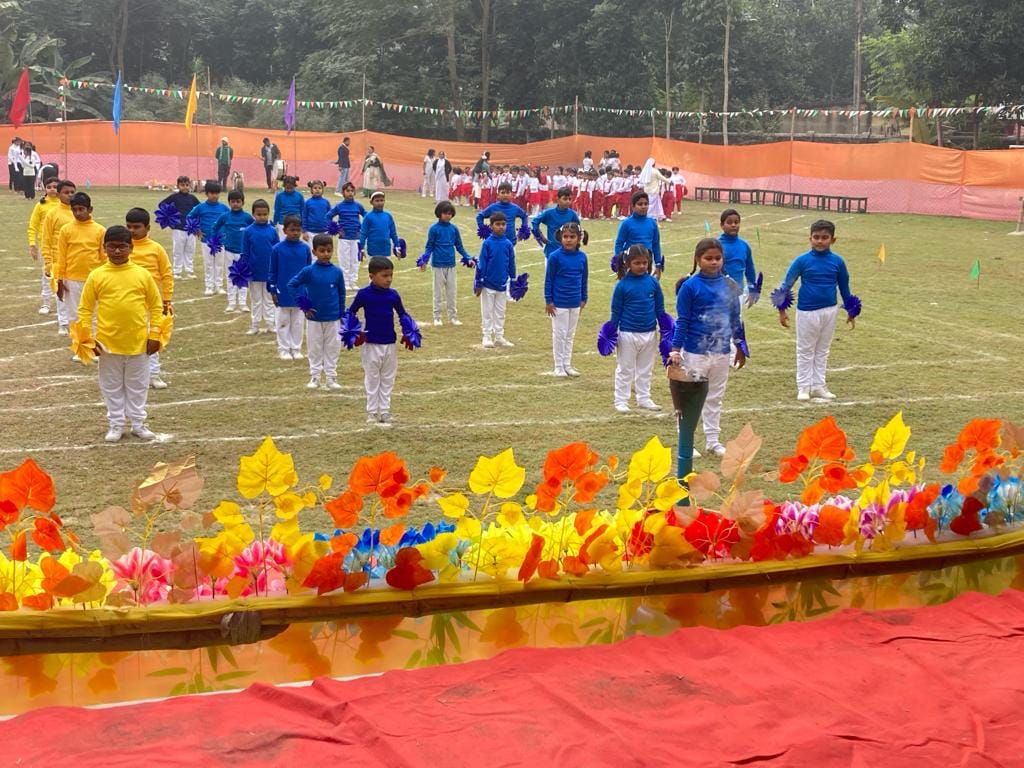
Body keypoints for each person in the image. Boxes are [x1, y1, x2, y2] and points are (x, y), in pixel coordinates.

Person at [668, 238, 749, 481]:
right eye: (708, 258)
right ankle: (687, 440)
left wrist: (740, 346)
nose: (714, 262)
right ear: (698, 259)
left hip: (721, 351)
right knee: (689, 399)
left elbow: (735, 318)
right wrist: (676, 349)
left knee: (715, 397)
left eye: (717, 258)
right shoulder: (690, 287)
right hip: (695, 351)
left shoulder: (730, 285)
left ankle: (713, 440)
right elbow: (683, 320)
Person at [76, 226, 163, 443]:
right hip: (107, 344)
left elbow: (156, 306)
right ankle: (116, 424)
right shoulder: (97, 276)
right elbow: (85, 309)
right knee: (111, 386)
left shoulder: (142, 275)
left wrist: (154, 335)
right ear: (104, 248)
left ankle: (138, 424)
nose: (117, 251)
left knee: (138, 386)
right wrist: (87, 339)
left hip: (139, 343)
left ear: (131, 248)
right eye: (112, 247)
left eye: (122, 247)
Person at [772, 219, 861, 401]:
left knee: (822, 350)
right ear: (810, 238)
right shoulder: (802, 261)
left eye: (824, 237)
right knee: (805, 350)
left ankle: (819, 385)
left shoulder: (838, 262)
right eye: (816, 237)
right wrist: (782, 310)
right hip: (807, 312)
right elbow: (787, 284)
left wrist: (851, 311)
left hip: (830, 311)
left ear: (833, 240)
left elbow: (844, 287)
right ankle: (804, 387)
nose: (820, 241)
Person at [346, 256, 413, 426]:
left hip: (389, 343)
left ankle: (384, 411)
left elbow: (402, 314)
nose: (389, 279)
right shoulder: (364, 295)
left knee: (388, 378)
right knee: (372, 378)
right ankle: (372, 412)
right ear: (371, 276)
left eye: (391, 275)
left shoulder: (393, 295)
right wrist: (354, 331)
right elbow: (350, 312)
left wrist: (409, 331)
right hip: (371, 344)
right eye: (384, 276)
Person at [607, 245, 664, 413]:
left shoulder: (653, 282)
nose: (641, 266)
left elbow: (659, 308)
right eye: (637, 263)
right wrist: (611, 332)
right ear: (627, 263)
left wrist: (664, 329)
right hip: (627, 333)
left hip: (650, 332)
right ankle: (621, 400)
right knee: (625, 369)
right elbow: (616, 311)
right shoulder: (622, 285)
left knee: (645, 369)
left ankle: (644, 398)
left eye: (645, 263)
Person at [124, 207, 174, 390]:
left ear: (147, 227)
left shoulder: (156, 249)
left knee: (152, 337)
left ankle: (153, 375)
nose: (132, 231)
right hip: (127, 302)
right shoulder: (124, 248)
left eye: (136, 227)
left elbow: (166, 275)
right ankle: (132, 375)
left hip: (151, 303)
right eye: (129, 227)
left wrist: (167, 300)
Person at [288, 234, 345, 391]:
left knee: (333, 347)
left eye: (329, 250)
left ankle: (331, 377)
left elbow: (341, 293)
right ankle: (315, 376)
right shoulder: (308, 271)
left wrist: (341, 313)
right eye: (322, 251)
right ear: (314, 252)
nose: (326, 254)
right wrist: (303, 304)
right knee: (314, 347)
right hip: (314, 318)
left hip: (333, 317)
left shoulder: (337, 272)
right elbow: (292, 285)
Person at [55, 191, 106, 353]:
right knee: (75, 316)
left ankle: (95, 346)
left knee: (95, 314)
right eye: (74, 209)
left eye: (81, 209)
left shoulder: (100, 230)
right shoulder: (66, 230)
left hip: (94, 279)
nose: (78, 213)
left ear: (90, 209)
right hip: (72, 279)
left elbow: (104, 257)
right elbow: (62, 257)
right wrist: (59, 279)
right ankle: (80, 347)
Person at [544, 221, 589, 377]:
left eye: (572, 237)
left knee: (570, 334)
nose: (568, 240)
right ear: (561, 237)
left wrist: (584, 298)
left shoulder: (582, 257)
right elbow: (549, 280)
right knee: (559, 334)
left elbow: (584, 279)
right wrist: (549, 301)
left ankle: (567, 364)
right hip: (559, 303)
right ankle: (558, 366)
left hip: (575, 302)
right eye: (565, 237)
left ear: (578, 238)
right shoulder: (554, 257)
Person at [420, 200, 471, 326]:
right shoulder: (434, 229)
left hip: (451, 264)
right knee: (437, 292)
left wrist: (467, 257)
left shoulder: (454, 229)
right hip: (437, 265)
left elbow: (459, 246)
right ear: (439, 213)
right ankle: (437, 317)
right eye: (445, 213)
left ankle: (453, 317)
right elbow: (429, 246)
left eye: (449, 213)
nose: (447, 216)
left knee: (451, 292)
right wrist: (424, 260)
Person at [268, 214, 312, 361]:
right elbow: (272, 271)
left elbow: (308, 272)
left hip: (300, 293)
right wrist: (273, 290)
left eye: (298, 230)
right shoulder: (277, 249)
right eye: (292, 230)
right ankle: (284, 349)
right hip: (283, 292)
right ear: (285, 230)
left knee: (298, 322)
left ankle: (296, 348)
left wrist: (309, 291)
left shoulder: (305, 249)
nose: (295, 233)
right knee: (283, 321)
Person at [474, 211, 516, 349]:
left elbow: (511, 263)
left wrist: (513, 280)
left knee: (500, 312)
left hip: (502, 284)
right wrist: (479, 282)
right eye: (498, 224)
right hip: (488, 284)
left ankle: (499, 336)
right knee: (487, 312)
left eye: (503, 224)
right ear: (491, 226)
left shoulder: (508, 244)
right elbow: (482, 264)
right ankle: (486, 336)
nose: (501, 227)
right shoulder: (487, 243)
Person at [40, 179, 77, 334]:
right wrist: (48, 261)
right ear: (59, 194)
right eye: (66, 192)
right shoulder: (52, 214)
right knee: (61, 291)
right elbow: (46, 239)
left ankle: (75, 323)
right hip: (58, 259)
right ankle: (63, 323)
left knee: (75, 293)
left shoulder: (79, 212)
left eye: (72, 192)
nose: (70, 195)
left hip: (75, 259)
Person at [212, 189, 255, 312]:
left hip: (243, 252)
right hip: (229, 251)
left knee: (243, 276)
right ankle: (231, 302)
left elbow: (255, 228)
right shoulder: (225, 216)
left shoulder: (247, 217)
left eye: (238, 201)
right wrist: (216, 240)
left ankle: (242, 303)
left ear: (243, 202)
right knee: (231, 276)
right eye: (233, 202)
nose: (235, 204)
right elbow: (215, 227)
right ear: (229, 202)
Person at [241, 199, 278, 335]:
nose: (262, 217)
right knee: (256, 300)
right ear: (253, 214)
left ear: (268, 214)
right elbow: (244, 252)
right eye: (259, 214)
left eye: (265, 214)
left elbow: (277, 250)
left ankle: (270, 324)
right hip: (254, 272)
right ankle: (255, 325)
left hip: (269, 272)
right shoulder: (248, 231)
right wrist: (245, 269)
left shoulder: (273, 231)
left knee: (269, 300)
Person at [186, 181, 230, 296]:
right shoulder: (200, 207)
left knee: (219, 264)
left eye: (217, 193)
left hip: (220, 241)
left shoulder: (224, 208)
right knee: (209, 264)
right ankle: (209, 286)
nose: (214, 195)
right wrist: (196, 229)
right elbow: (189, 217)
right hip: (206, 241)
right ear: (206, 193)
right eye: (212, 193)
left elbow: (230, 219)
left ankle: (219, 286)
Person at [27, 176, 60, 314]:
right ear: (45, 188)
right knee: (47, 274)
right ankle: (46, 303)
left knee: (63, 275)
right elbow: (32, 226)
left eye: (55, 187)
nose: (52, 189)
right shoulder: (41, 205)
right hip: (46, 246)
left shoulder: (66, 205)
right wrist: (32, 244)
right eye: (49, 187)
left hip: (63, 246)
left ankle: (62, 304)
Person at [326, 181, 366, 295]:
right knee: (344, 260)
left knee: (355, 260)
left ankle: (353, 281)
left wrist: (363, 228)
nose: (350, 193)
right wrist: (336, 229)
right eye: (347, 191)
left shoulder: (358, 206)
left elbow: (367, 216)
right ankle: (346, 282)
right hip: (344, 238)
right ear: (343, 193)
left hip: (356, 238)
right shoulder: (339, 206)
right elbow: (328, 216)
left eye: (352, 191)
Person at [614, 191, 664, 279]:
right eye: (640, 204)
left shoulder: (652, 223)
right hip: (631, 263)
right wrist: (620, 263)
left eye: (646, 204)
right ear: (633, 206)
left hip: (647, 263)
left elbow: (656, 245)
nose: (643, 206)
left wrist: (658, 264)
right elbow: (619, 244)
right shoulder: (626, 223)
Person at [160, 176, 200, 279]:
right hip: (178, 228)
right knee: (178, 250)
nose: (185, 187)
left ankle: (189, 271)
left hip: (191, 228)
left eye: (187, 185)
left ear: (190, 185)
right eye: (182, 185)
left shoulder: (193, 198)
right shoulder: (174, 197)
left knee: (190, 250)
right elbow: (162, 205)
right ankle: (176, 271)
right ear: (178, 186)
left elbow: (200, 209)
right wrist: (170, 216)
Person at [531, 187, 581, 260]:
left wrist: (575, 243)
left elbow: (578, 229)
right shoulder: (549, 213)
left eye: (570, 199)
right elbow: (534, 222)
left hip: (567, 252)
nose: (568, 201)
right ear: (558, 199)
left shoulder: (573, 214)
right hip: (551, 251)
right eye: (565, 199)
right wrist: (540, 236)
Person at [476, 182, 528, 250]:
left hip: (511, 243)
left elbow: (524, 216)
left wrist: (523, 230)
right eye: (503, 193)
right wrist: (485, 231)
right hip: (495, 244)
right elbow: (479, 217)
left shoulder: (515, 208)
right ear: (498, 195)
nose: (505, 195)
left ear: (511, 194)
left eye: (508, 193)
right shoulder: (493, 207)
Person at [359, 190, 400, 259]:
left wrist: (397, 245)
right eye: (377, 201)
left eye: (381, 200)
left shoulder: (388, 216)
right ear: (371, 202)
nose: (380, 203)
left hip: (386, 250)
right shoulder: (368, 217)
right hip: (373, 251)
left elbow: (393, 233)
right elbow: (363, 233)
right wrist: (361, 248)